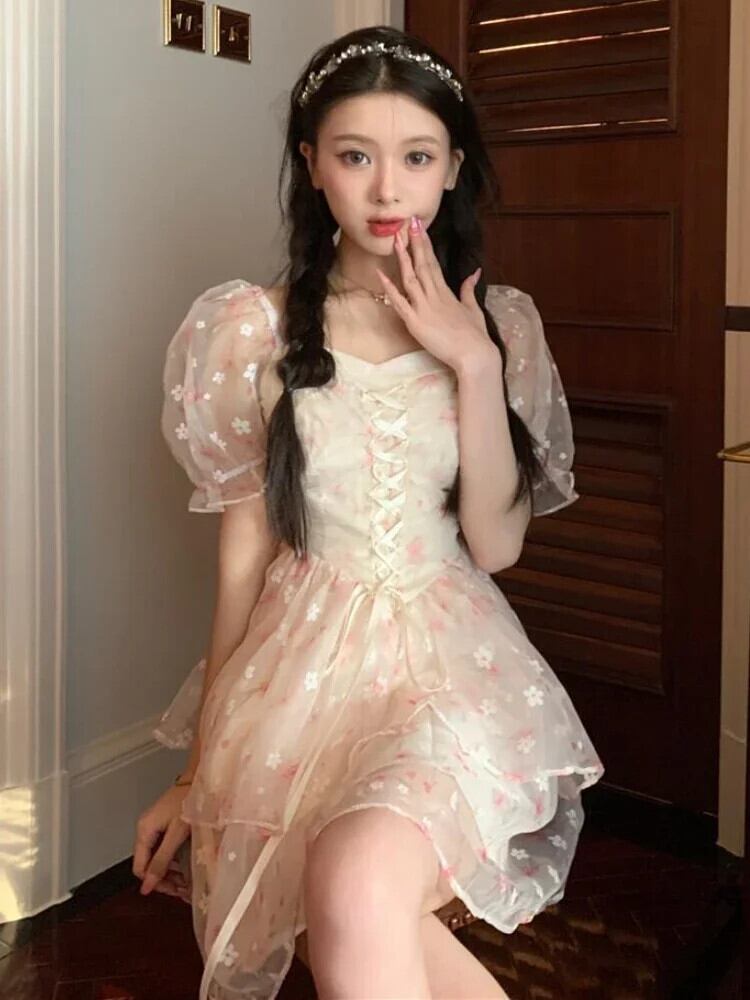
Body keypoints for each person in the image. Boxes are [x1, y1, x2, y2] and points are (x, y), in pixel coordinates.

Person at [132, 24, 604, 1000]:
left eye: (417, 158)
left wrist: (471, 359)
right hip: (298, 680)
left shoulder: (501, 326)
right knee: (351, 911)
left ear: (453, 169)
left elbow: (497, 545)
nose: (389, 191)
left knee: (351, 878)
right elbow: (243, 559)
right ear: (312, 165)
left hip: (448, 666)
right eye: (356, 157)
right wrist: (195, 770)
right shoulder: (251, 330)